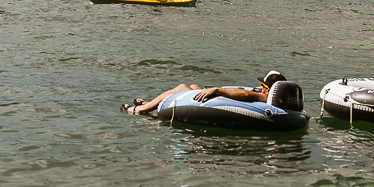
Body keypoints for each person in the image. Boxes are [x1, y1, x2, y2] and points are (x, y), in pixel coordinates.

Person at [123, 70, 287, 114]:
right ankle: (150, 103)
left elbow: (244, 95)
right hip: (223, 103)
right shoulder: (270, 97)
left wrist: (217, 90)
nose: (259, 87)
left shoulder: (261, 96)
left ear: (268, 89)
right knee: (194, 86)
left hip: (218, 104)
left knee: (182, 87)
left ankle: (141, 110)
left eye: (262, 84)